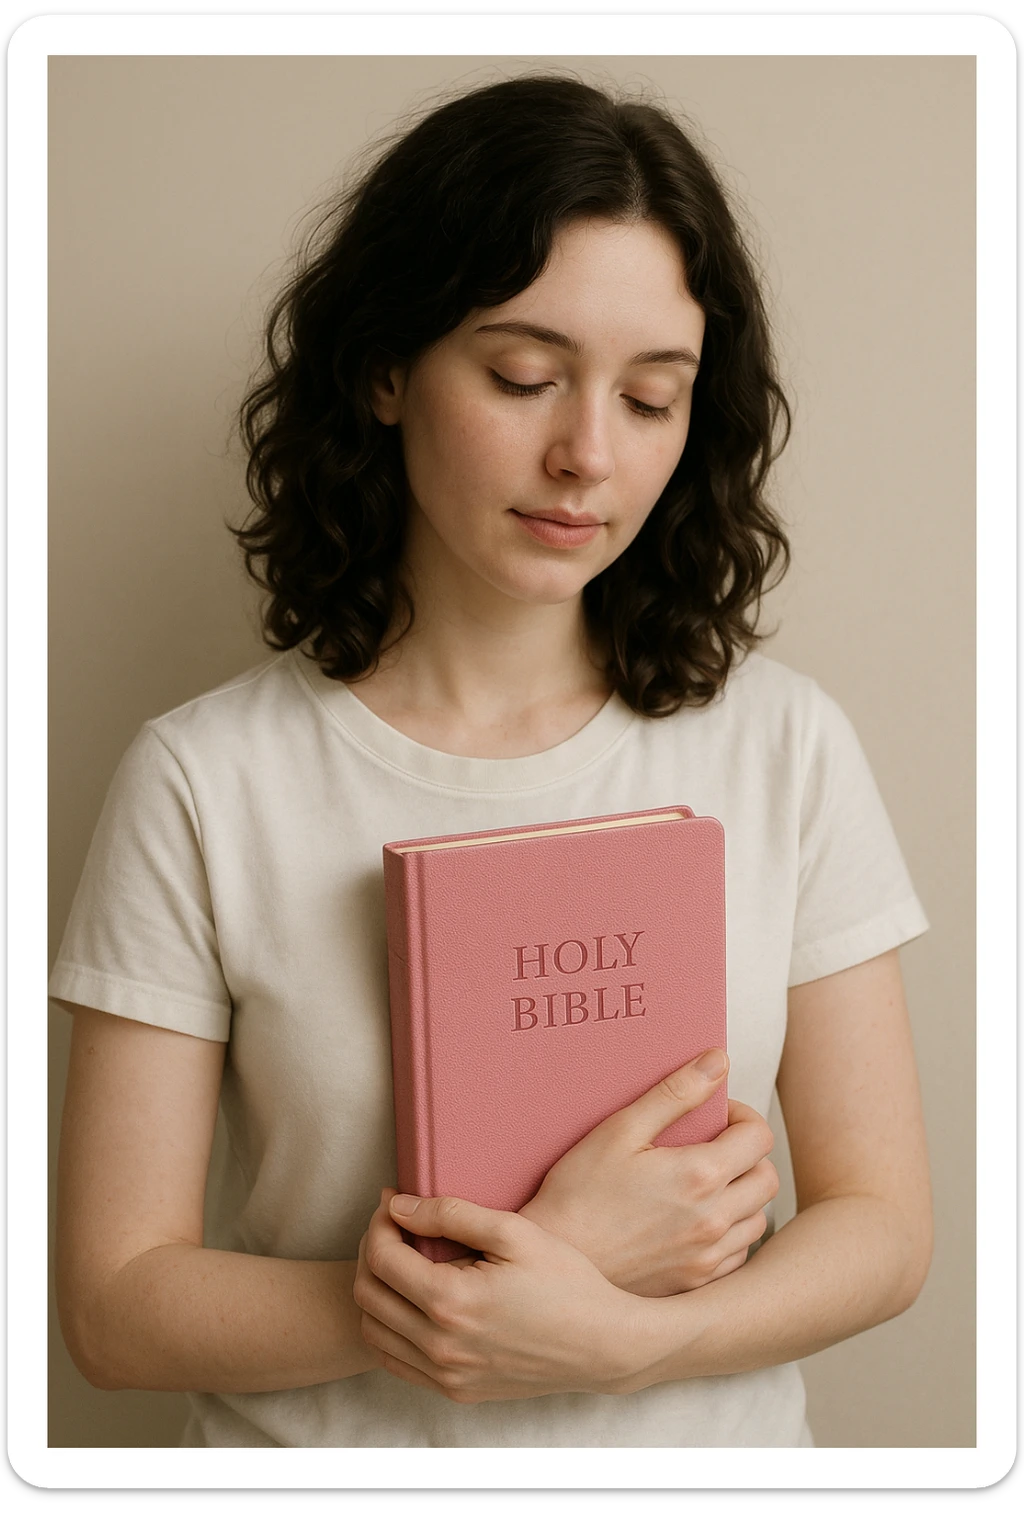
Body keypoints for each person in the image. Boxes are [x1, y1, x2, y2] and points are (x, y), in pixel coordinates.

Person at [51, 75, 933, 1449]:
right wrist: (492, 1288)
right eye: (523, 376)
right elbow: (115, 1310)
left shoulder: (783, 744)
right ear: (386, 368)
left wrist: (632, 1342)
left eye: (653, 398)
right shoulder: (205, 780)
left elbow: (883, 1229)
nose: (586, 454)